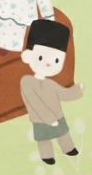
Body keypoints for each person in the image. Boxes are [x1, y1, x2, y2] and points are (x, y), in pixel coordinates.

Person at [19, 20, 85, 165]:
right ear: (28, 56)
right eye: (41, 57)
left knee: (64, 134)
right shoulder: (27, 82)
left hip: (58, 115)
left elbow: (63, 94)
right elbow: (34, 102)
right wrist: (48, 118)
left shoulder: (50, 84)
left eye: (56, 60)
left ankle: (69, 149)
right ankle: (47, 156)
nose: (48, 63)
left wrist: (77, 91)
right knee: (44, 139)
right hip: (40, 119)